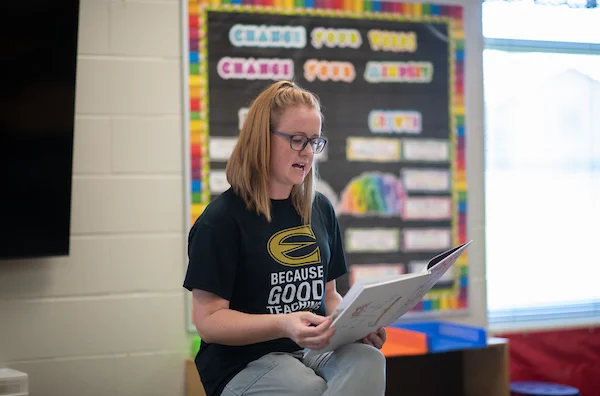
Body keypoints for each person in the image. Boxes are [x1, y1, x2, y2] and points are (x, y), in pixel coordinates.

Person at [183, 80, 387, 396]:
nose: (307, 152)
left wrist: (355, 325)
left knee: (368, 360)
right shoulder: (221, 220)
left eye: (314, 142)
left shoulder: (319, 208)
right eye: (296, 140)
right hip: (242, 362)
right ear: (261, 140)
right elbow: (208, 322)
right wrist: (283, 323)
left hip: (308, 349)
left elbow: (328, 295)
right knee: (307, 387)